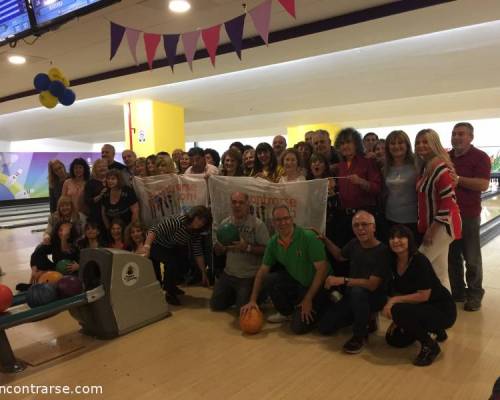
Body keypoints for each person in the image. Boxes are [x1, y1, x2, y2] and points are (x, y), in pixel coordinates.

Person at [240, 205, 331, 335]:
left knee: (297, 328)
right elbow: (262, 272)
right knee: (270, 279)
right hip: (298, 281)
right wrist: (253, 300)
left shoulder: (308, 237)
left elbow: (322, 269)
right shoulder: (273, 242)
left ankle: (319, 310)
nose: (283, 223)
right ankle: (287, 313)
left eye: (286, 218)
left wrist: (308, 298)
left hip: (319, 285)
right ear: (273, 223)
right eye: (278, 220)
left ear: (292, 218)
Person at [316, 211, 390, 353]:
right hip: (353, 297)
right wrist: (325, 240)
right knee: (324, 327)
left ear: (374, 227)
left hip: (374, 297)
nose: (360, 228)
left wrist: (342, 280)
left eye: (364, 224)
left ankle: (359, 336)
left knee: (358, 291)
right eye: (356, 225)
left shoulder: (382, 251)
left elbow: (372, 284)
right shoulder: (354, 243)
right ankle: (365, 318)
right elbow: (339, 256)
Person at [383, 225, 456, 366]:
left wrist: (394, 302)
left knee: (397, 310)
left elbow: (424, 296)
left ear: (409, 240)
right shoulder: (393, 261)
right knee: (394, 340)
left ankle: (430, 346)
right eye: (392, 237)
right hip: (422, 308)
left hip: (442, 309)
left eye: (400, 237)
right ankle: (435, 330)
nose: (396, 240)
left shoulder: (419, 261)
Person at [448, 122, 491, 311]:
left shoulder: (480, 157)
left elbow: (483, 185)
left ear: (471, 137)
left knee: (471, 257)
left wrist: (459, 180)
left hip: (468, 215)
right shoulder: (446, 157)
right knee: (453, 257)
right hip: (448, 216)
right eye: (454, 133)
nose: (456, 137)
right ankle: (458, 292)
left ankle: (474, 293)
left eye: (461, 134)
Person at [415, 129, 461, 290]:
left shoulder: (440, 167)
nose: (421, 145)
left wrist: (432, 230)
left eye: (425, 141)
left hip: (442, 226)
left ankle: (430, 306)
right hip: (435, 225)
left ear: (434, 144)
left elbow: (448, 201)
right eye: (418, 142)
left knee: (418, 264)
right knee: (440, 272)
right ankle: (445, 309)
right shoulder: (427, 166)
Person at [210, 192, 269, 311]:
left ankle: (258, 295)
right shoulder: (225, 223)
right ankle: (238, 297)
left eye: (241, 202)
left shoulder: (257, 225)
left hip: (248, 276)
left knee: (241, 312)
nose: (237, 205)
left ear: (248, 204)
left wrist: (246, 247)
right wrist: (219, 248)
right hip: (229, 274)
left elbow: (267, 251)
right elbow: (218, 252)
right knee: (216, 305)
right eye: (234, 202)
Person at [143, 206, 212, 305]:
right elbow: (153, 230)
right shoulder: (177, 222)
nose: (200, 223)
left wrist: (203, 273)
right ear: (193, 216)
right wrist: (147, 247)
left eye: (203, 222)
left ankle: (172, 285)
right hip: (156, 244)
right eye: (199, 218)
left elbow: (198, 252)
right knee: (172, 263)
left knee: (184, 264)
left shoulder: (195, 232)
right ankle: (169, 293)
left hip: (171, 245)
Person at [333, 128, 382, 247]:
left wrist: (361, 182)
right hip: (345, 217)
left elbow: (377, 188)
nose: (345, 146)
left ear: (356, 144)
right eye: (342, 143)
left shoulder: (367, 162)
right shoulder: (340, 166)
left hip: (365, 215)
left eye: (349, 142)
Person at [383, 130, 419, 242]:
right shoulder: (385, 168)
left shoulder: (417, 164)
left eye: (400, 142)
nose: (396, 146)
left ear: (407, 145)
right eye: (392, 143)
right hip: (391, 217)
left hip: (413, 218)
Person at [84, 158, 108, 230]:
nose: (102, 168)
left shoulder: (111, 179)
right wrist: (100, 196)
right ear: (95, 169)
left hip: (110, 214)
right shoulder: (90, 183)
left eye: (104, 166)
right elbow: (88, 201)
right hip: (97, 215)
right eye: (99, 167)